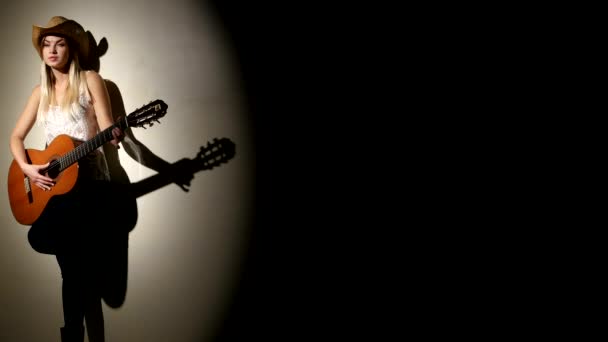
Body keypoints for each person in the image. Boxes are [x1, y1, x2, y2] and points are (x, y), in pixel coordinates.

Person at [9, 16, 125, 342]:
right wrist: (28, 168)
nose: (52, 49)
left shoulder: (90, 79)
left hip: (90, 183)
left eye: (59, 43)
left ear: (71, 48)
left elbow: (106, 128)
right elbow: (16, 137)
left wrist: (115, 135)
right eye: (46, 44)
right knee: (70, 265)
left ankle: (72, 336)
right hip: (57, 188)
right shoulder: (40, 92)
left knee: (73, 271)